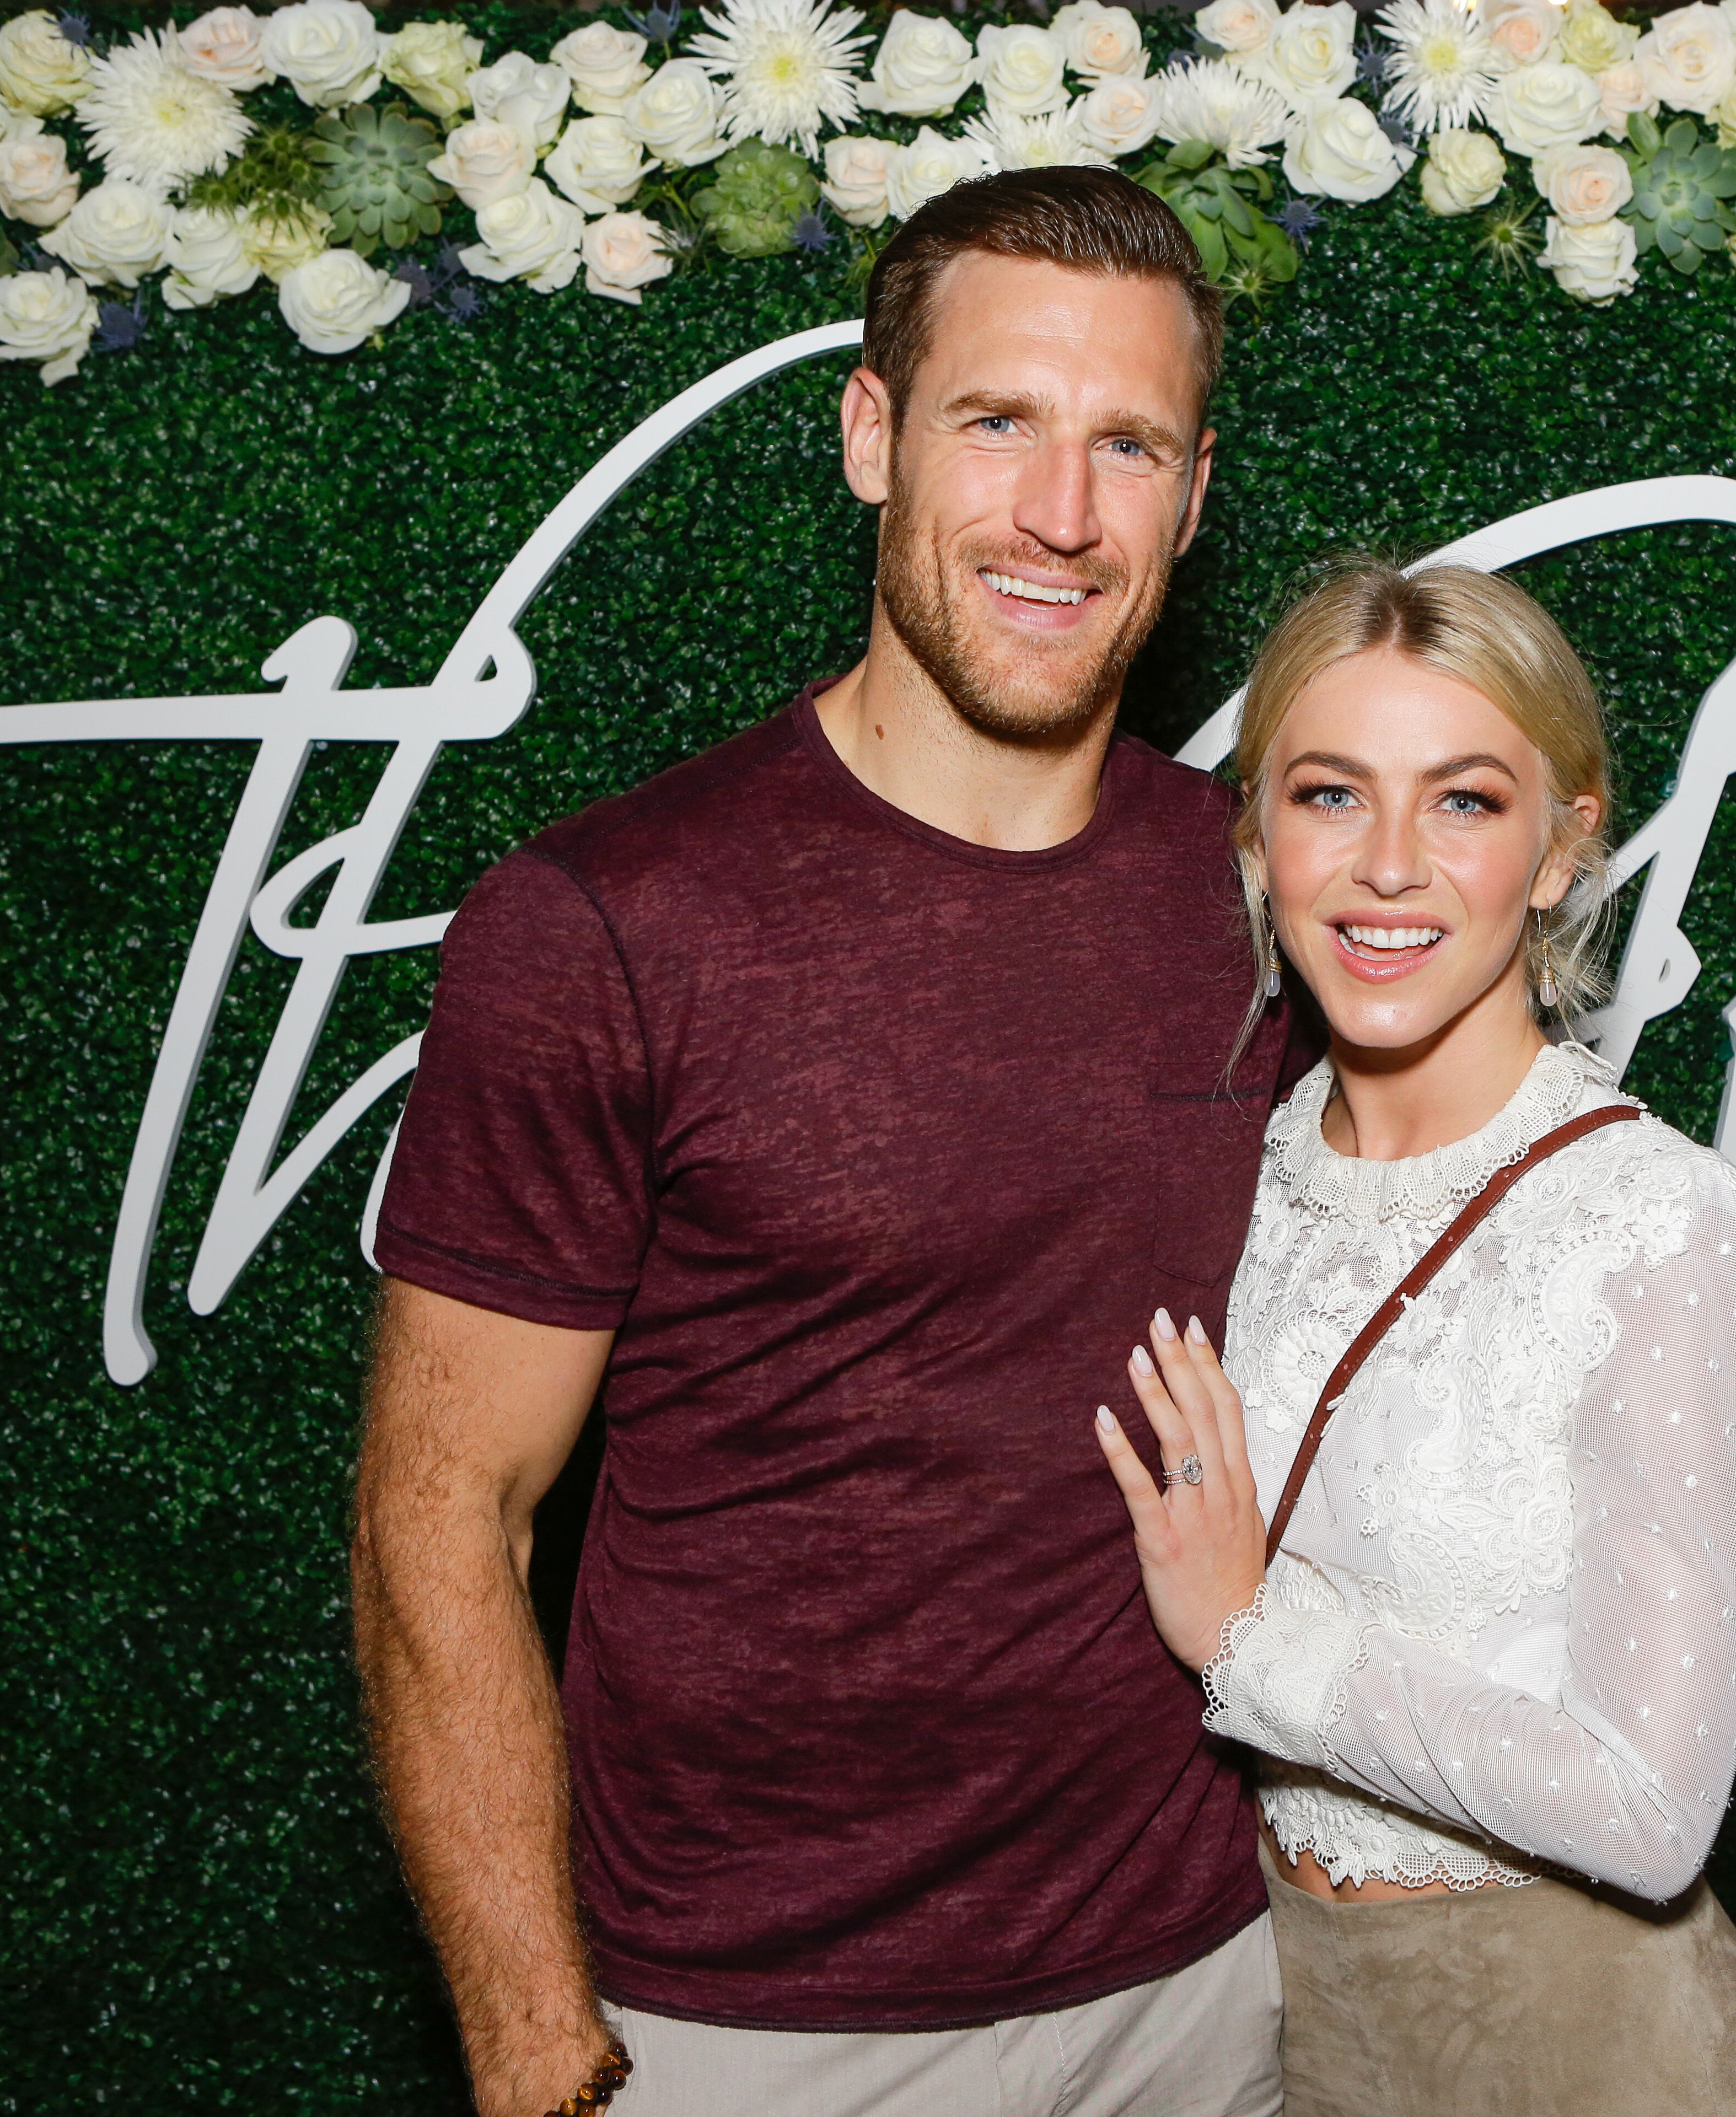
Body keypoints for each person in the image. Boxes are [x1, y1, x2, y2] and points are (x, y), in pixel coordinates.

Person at [351, 168, 1299, 2117]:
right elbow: (441, 1519)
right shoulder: (609, 919)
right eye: (997, 422)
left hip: (1211, 1988)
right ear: (873, 436)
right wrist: (540, 2051)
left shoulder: (1270, 901)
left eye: (1126, 445)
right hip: (748, 2027)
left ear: (1193, 499)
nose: (1061, 512)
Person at [1090, 562, 1736, 2117]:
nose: (1391, 868)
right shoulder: (1240, 1179)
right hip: (1282, 2019)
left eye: (1467, 804)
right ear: (1255, 835)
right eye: (1332, 796)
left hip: (1589, 2040)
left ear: (1565, 846)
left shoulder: (1663, 1232)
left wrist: (1246, 1638)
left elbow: (1649, 1806)